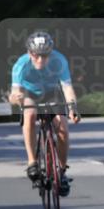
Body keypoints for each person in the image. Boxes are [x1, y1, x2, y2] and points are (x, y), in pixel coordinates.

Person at [8, 31, 81, 196]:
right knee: (30, 114)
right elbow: (14, 94)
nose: (40, 60)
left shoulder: (59, 60)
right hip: (29, 94)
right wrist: (16, 98)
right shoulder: (21, 64)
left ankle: (61, 171)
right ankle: (32, 162)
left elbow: (67, 88)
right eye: (36, 56)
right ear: (29, 53)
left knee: (63, 128)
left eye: (45, 56)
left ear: (50, 53)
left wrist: (72, 108)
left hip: (51, 93)